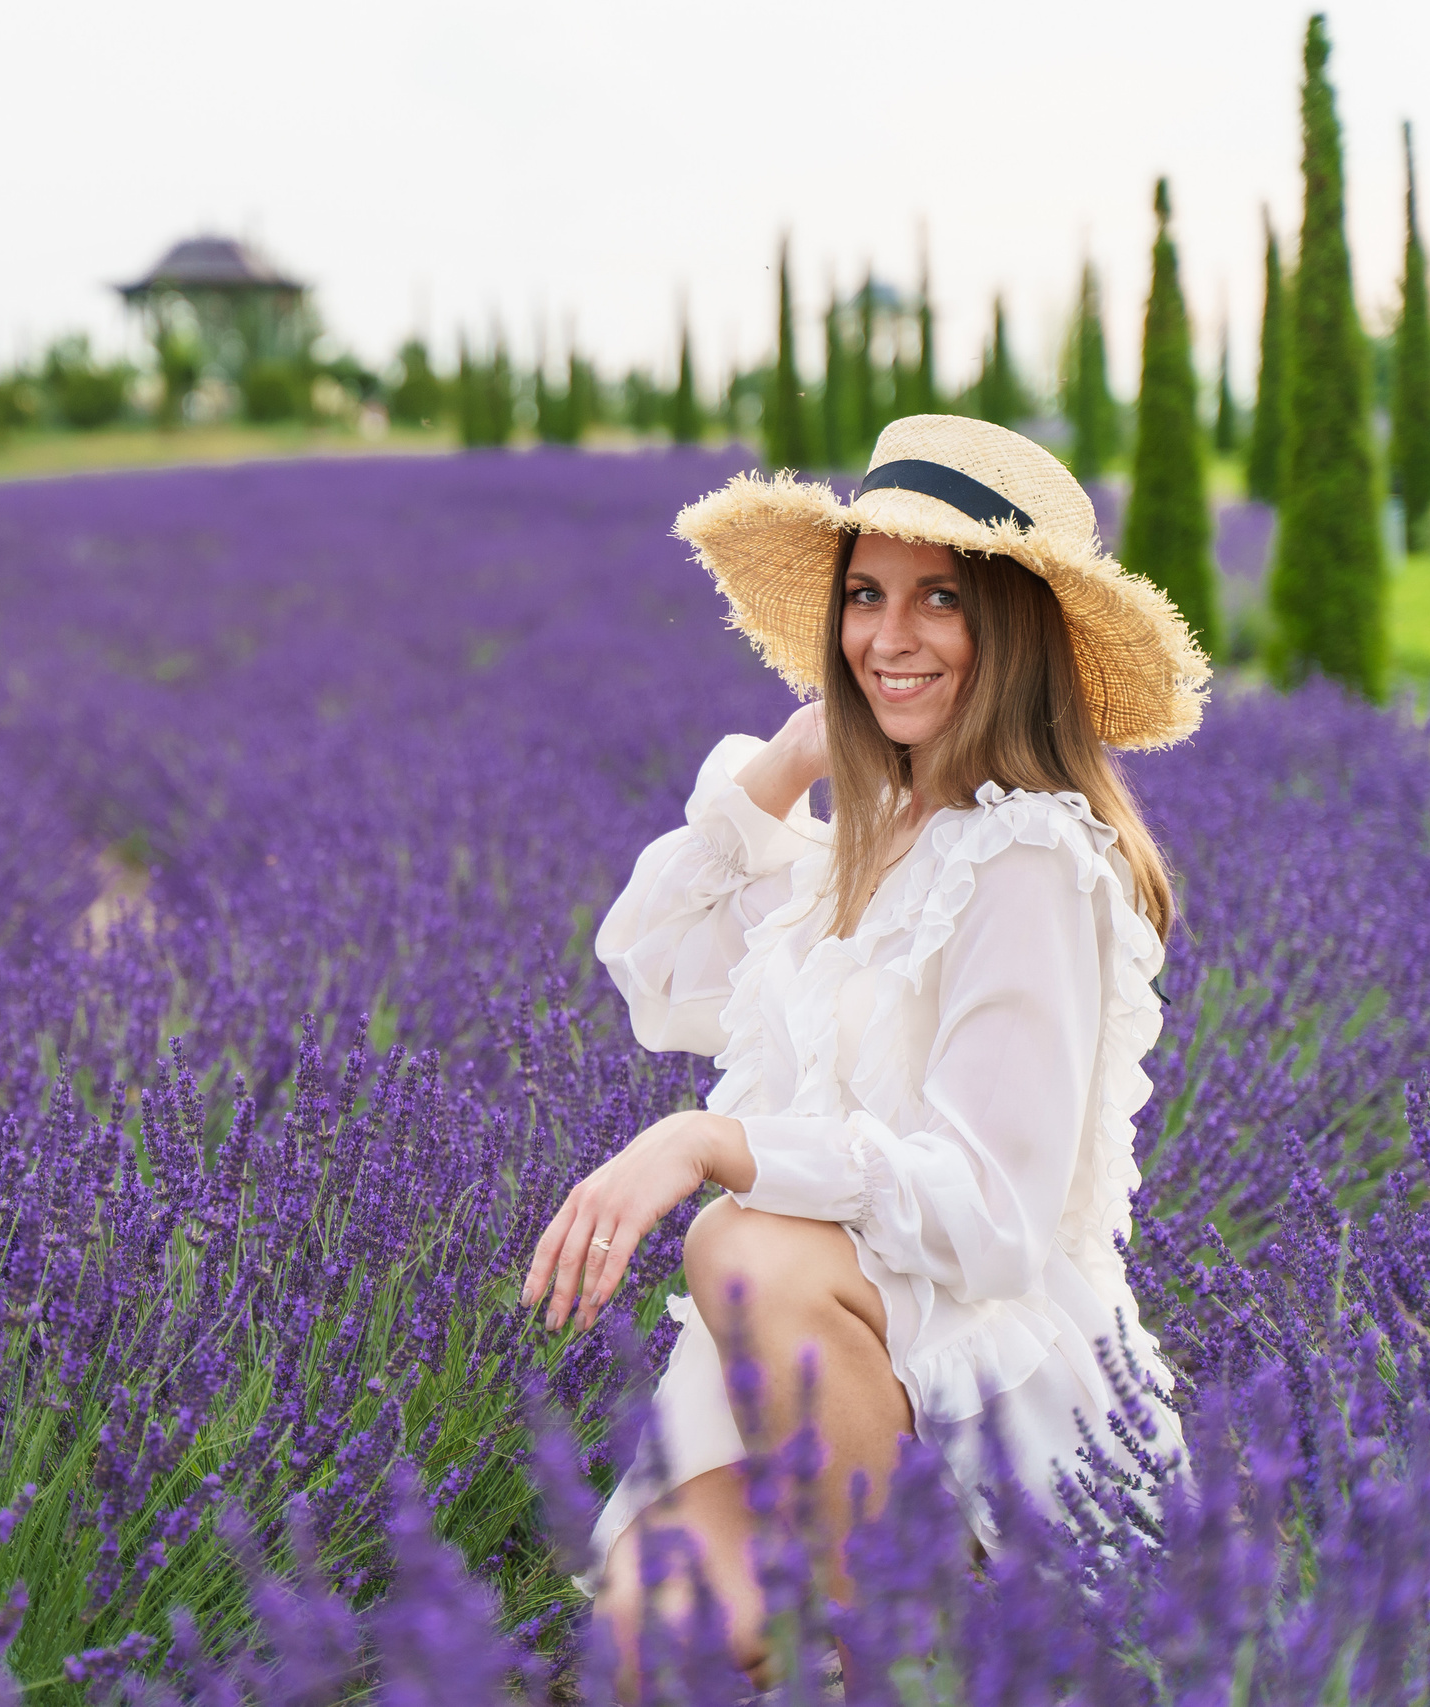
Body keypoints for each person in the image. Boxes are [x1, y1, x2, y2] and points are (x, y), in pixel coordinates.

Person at [521, 415, 1212, 1683]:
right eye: (864, 597)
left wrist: (705, 1141)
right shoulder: (874, 835)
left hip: (973, 1408)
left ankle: (912, 1644)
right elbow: (655, 974)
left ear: (1011, 633)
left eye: (939, 599)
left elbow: (995, 1218)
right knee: (638, 1624)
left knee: (742, 1238)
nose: (889, 638)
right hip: (798, 1397)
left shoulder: (1031, 861)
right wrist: (787, 760)